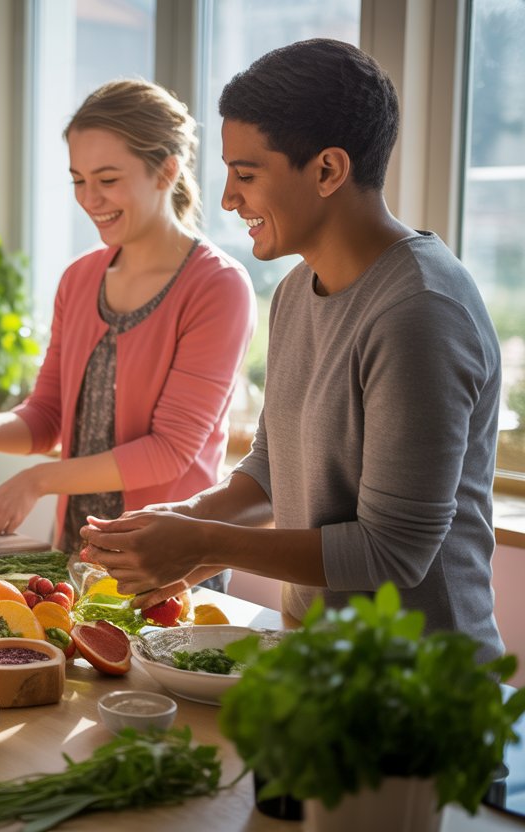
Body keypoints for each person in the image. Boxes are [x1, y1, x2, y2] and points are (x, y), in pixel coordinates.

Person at [80, 40, 504, 662]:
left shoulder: (419, 311)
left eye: (246, 175)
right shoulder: (294, 292)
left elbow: (393, 552)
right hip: (318, 666)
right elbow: (275, 468)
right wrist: (183, 523)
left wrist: (203, 542)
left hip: (425, 693)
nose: (227, 199)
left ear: (329, 170)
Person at [0, 80, 256, 558]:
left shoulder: (217, 286)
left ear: (166, 171)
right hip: (78, 554)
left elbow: (170, 449)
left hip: (168, 562)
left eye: (108, 179)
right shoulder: (79, 278)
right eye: (78, 180)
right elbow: (47, 418)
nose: (90, 198)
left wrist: (38, 480)